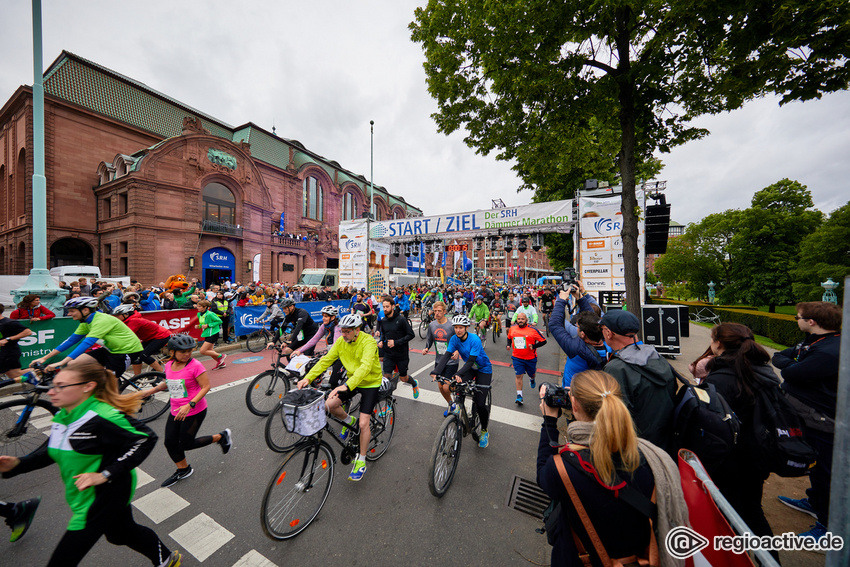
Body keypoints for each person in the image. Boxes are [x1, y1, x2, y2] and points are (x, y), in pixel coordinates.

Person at [0, 361, 181, 567]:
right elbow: (51, 450)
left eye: (61, 386)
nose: (51, 392)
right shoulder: (63, 416)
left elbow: (144, 438)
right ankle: (167, 559)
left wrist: (105, 474)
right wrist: (16, 464)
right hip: (83, 492)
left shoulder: (103, 416)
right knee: (121, 534)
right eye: (53, 385)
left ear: (87, 387)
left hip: (104, 493)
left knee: (63, 560)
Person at [537, 370, 688, 567]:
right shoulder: (654, 458)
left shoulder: (564, 469)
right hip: (642, 559)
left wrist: (549, 421)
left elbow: (543, 476)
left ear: (573, 404)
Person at [702, 323, 781, 560]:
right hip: (757, 454)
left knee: (731, 515)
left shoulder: (722, 377)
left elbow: (711, 422)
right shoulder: (761, 370)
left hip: (731, 459)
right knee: (752, 511)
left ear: (719, 343)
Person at [773, 301, 841, 542]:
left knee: (824, 471)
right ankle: (814, 502)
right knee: (815, 463)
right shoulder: (813, 342)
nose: (797, 320)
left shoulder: (830, 351)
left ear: (811, 321)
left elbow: (791, 372)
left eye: (797, 317)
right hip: (809, 417)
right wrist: (792, 364)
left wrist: (792, 366)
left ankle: (827, 528)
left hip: (823, 420)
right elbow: (780, 356)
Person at [134, 334, 232, 487]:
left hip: (195, 410)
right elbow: (168, 384)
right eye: (182, 351)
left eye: (189, 351)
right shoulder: (168, 365)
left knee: (186, 443)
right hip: (176, 410)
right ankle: (184, 469)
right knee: (170, 442)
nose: (187, 354)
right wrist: (149, 392)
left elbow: (206, 387)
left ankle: (221, 437)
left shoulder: (195, 366)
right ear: (172, 352)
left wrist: (190, 405)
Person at [297, 313, 382, 482]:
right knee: (329, 405)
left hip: (370, 382)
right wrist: (308, 377)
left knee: (364, 423)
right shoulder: (341, 342)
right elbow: (325, 360)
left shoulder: (368, 341)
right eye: (342, 331)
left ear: (357, 330)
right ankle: (350, 421)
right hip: (352, 380)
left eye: (347, 331)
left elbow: (365, 367)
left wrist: (347, 385)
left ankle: (361, 461)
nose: (343, 334)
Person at [600, 309, 677, 453]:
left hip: (633, 450)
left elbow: (614, 419)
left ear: (609, 333)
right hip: (662, 446)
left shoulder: (616, 369)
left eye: (603, 329)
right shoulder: (657, 358)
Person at [31, 297, 144, 379]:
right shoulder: (85, 321)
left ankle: (118, 405)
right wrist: (45, 358)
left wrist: (61, 362)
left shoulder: (101, 320)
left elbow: (87, 343)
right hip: (109, 349)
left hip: (127, 350)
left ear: (85, 310)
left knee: (110, 384)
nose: (69, 314)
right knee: (72, 364)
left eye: (72, 311)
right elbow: (71, 341)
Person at [431, 314, 493, 448]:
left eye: (461, 327)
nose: (458, 330)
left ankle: (484, 430)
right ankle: (459, 410)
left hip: (483, 369)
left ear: (466, 328)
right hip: (469, 369)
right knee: (456, 386)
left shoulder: (474, 339)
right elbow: (446, 356)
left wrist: (458, 373)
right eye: (456, 327)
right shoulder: (454, 339)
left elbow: (471, 361)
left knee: (481, 403)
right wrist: (436, 372)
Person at [549, 284, 609, 389]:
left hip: (574, 394)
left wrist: (561, 300)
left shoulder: (576, 349)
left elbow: (555, 325)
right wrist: (580, 298)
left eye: (577, 327)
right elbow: (592, 318)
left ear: (582, 334)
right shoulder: (608, 343)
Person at [293, 305, 345, 388]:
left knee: (333, 383)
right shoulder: (324, 326)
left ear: (333, 317)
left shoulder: (337, 327)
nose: (323, 318)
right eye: (323, 316)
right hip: (331, 353)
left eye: (326, 316)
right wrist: (300, 350)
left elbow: (335, 345)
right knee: (313, 364)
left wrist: (326, 356)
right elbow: (314, 340)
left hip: (340, 355)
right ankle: (318, 380)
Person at [423, 301, 461, 416]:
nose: (437, 313)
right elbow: (429, 339)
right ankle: (451, 403)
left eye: (439, 311)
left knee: (446, 387)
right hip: (439, 360)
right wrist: (426, 348)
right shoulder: (432, 325)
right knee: (440, 386)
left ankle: (458, 392)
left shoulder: (451, 326)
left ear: (444, 311)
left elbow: (459, 340)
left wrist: (457, 351)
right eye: (435, 311)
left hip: (451, 360)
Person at [376, 296, 418, 398]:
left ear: (393, 306)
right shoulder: (384, 320)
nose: (385, 309)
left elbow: (411, 335)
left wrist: (396, 342)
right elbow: (383, 335)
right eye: (383, 307)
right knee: (387, 377)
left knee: (403, 378)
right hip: (388, 354)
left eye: (387, 306)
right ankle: (388, 403)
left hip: (401, 354)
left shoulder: (401, 319)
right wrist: (381, 342)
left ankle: (414, 384)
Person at [111, 304, 170, 376]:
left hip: (161, 336)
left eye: (117, 315)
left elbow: (125, 336)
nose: (115, 317)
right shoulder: (127, 320)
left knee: (144, 356)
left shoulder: (134, 321)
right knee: (135, 354)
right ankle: (137, 377)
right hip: (150, 338)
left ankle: (163, 374)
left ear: (126, 314)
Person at [506, 312, 546, 405]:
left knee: (532, 374)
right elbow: (509, 338)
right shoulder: (512, 329)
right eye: (519, 319)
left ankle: (532, 379)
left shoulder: (533, 330)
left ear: (526, 320)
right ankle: (519, 396)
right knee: (518, 376)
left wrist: (534, 345)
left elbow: (544, 341)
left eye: (522, 319)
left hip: (530, 358)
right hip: (517, 357)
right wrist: (508, 345)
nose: (520, 321)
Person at [0, 304, 34, 380]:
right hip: (4, 353)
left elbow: (28, 332)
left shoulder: (8, 323)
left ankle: (44, 370)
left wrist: (8, 339)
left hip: (8, 353)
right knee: (13, 374)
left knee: (15, 374)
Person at [195, 300, 227, 369]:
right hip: (207, 333)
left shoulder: (210, 314)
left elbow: (219, 321)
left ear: (205, 307)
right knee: (210, 351)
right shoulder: (199, 314)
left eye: (199, 306)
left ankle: (221, 356)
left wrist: (208, 325)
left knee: (202, 351)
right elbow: (203, 323)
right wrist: (199, 326)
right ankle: (221, 363)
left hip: (213, 333)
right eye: (197, 306)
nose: (197, 307)